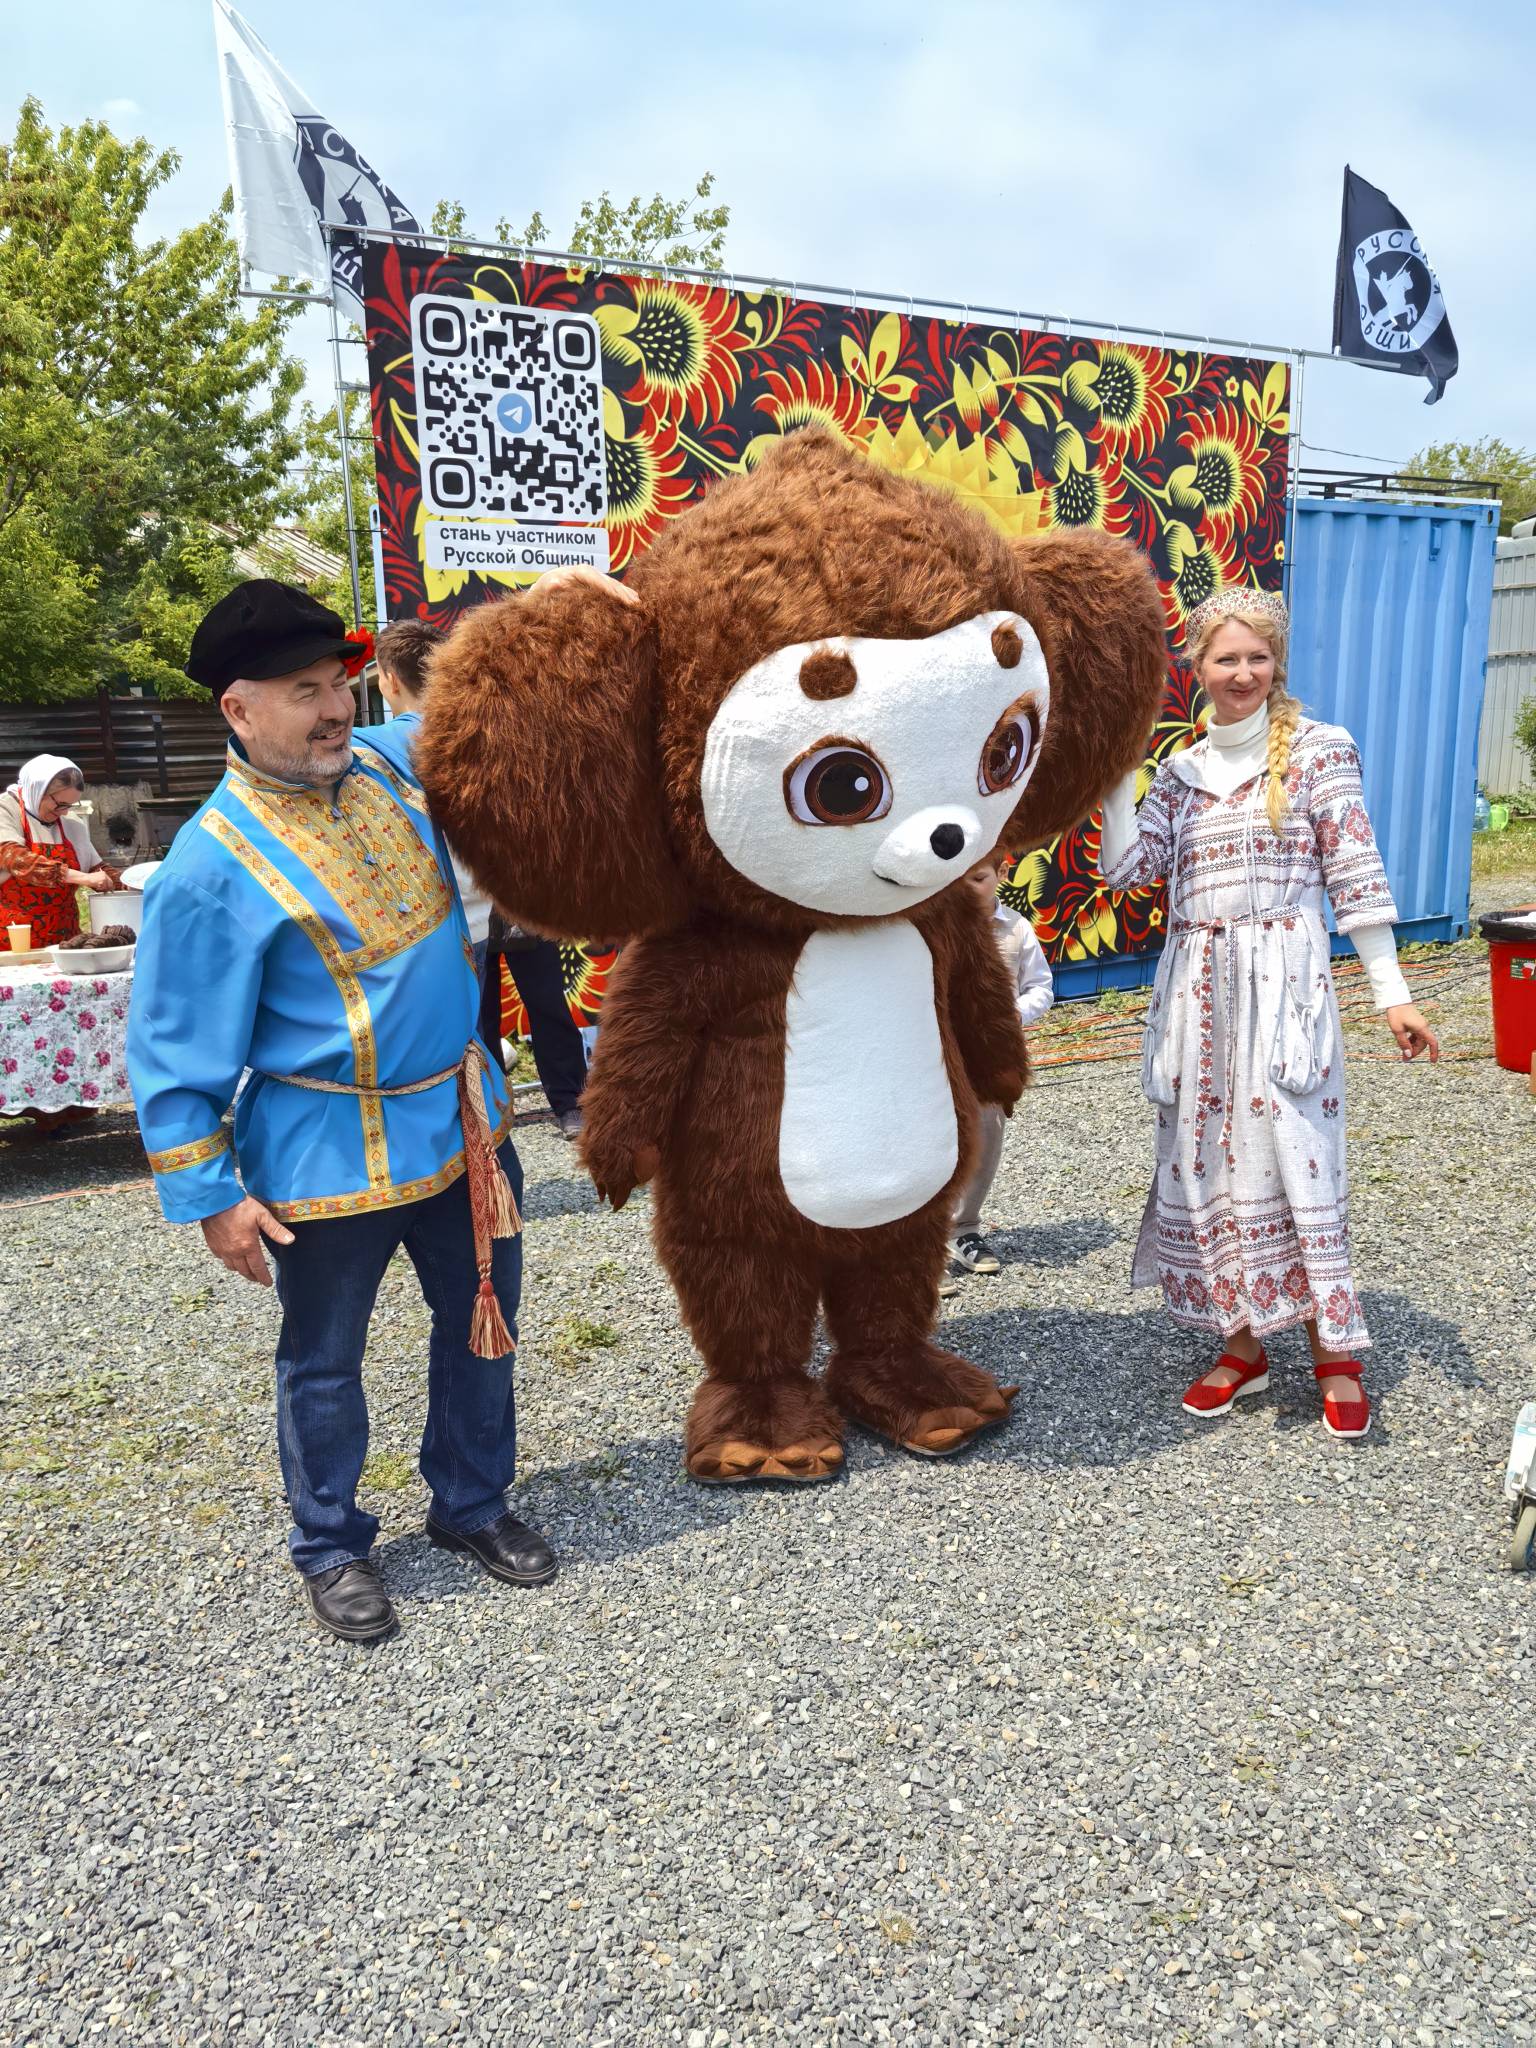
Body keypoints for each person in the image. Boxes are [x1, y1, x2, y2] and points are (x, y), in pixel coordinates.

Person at [126, 579, 556, 1644]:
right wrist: (210, 1195)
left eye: (339, 685)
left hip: (463, 1119)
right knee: (324, 1359)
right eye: (303, 692)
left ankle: (471, 1501)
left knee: (482, 1320)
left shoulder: (392, 766)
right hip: (325, 1149)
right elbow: (173, 1047)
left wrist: (562, 611)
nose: (333, 711)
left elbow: (488, 708)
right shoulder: (205, 870)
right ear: (237, 709)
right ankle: (330, 1544)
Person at [1097, 587, 1439, 1441]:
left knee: (1299, 1158)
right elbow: (1128, 872)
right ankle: (1241, 1345)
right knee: (1206, 1165)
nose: (1243, 672)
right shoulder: (1179, 775)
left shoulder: (1320, 752)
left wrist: (1392, 992)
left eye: (1258, 657)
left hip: (1285, 986)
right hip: (1198, 992)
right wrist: (1112, 780)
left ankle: (1335, 1354)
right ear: (1199, 666)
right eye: (1227, 658)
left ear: (1276, 661)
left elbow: (1356, 875)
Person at [363, 619, 592, 1140]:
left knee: (497, 1012)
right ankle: (540, 1107)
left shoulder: (375, 752)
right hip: (505, 897)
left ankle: (503, 1109)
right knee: (513, 1010)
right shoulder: (491, 729)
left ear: (388, 679)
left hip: (476, 904)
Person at [940, 852, 1054, 1298]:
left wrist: (1014, 1013)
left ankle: (963, 1229)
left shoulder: (1017, 929)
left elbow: (1041, 986)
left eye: (978, 878)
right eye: (958, 879)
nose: (966, 888)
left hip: (991, 1054)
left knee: (987, 1134)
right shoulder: (939, 927)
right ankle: (924, 1244)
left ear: (1003, 874)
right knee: (935, 1142)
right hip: (941, 1053)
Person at [1, 755, 120, 950]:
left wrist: (136, 884)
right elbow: (14, 858)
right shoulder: (6, 810)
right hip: (13, 940)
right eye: (60, 804)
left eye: (70, 805)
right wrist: (81, 877)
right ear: (38, 791)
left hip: (65, 940)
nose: (64, 812)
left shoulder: (70, 822)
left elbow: (98, 870)